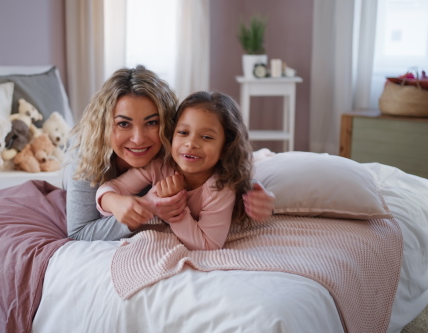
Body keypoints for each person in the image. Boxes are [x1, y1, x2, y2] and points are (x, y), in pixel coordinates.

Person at [66, 65, 274, 241]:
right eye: (123, 124)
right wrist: (143, 208)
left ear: (167, 123)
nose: (138, 138)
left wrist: (253, 190)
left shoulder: (175, 144)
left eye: (151, 122)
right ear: (104, 125)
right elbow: (78, 233)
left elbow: (230, 155)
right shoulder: (86, 154)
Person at [95, 91, 253, 250]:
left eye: (206, 137)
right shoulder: (159, 166)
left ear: (226, 147)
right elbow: (110, 188)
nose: (191, 143)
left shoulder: (221, 187)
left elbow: (208, 245)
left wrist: (175, 209)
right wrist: (114, 202)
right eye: (183, 133)